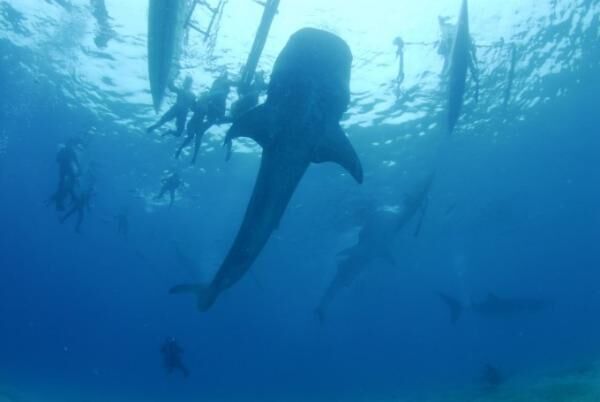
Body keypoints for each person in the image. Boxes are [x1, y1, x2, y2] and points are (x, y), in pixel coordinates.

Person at [48, 138, 80, 211]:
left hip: (66, 168)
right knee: (63, 183)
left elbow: (76, 160)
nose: (71, 145)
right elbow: (58, 159)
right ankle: (62, 200)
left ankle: (71, 196)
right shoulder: (65, 150)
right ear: (68, 144)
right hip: (64, 168)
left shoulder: (69, 150)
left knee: (71, 181)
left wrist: (79, 168)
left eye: (71, 144)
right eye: (70, 144)